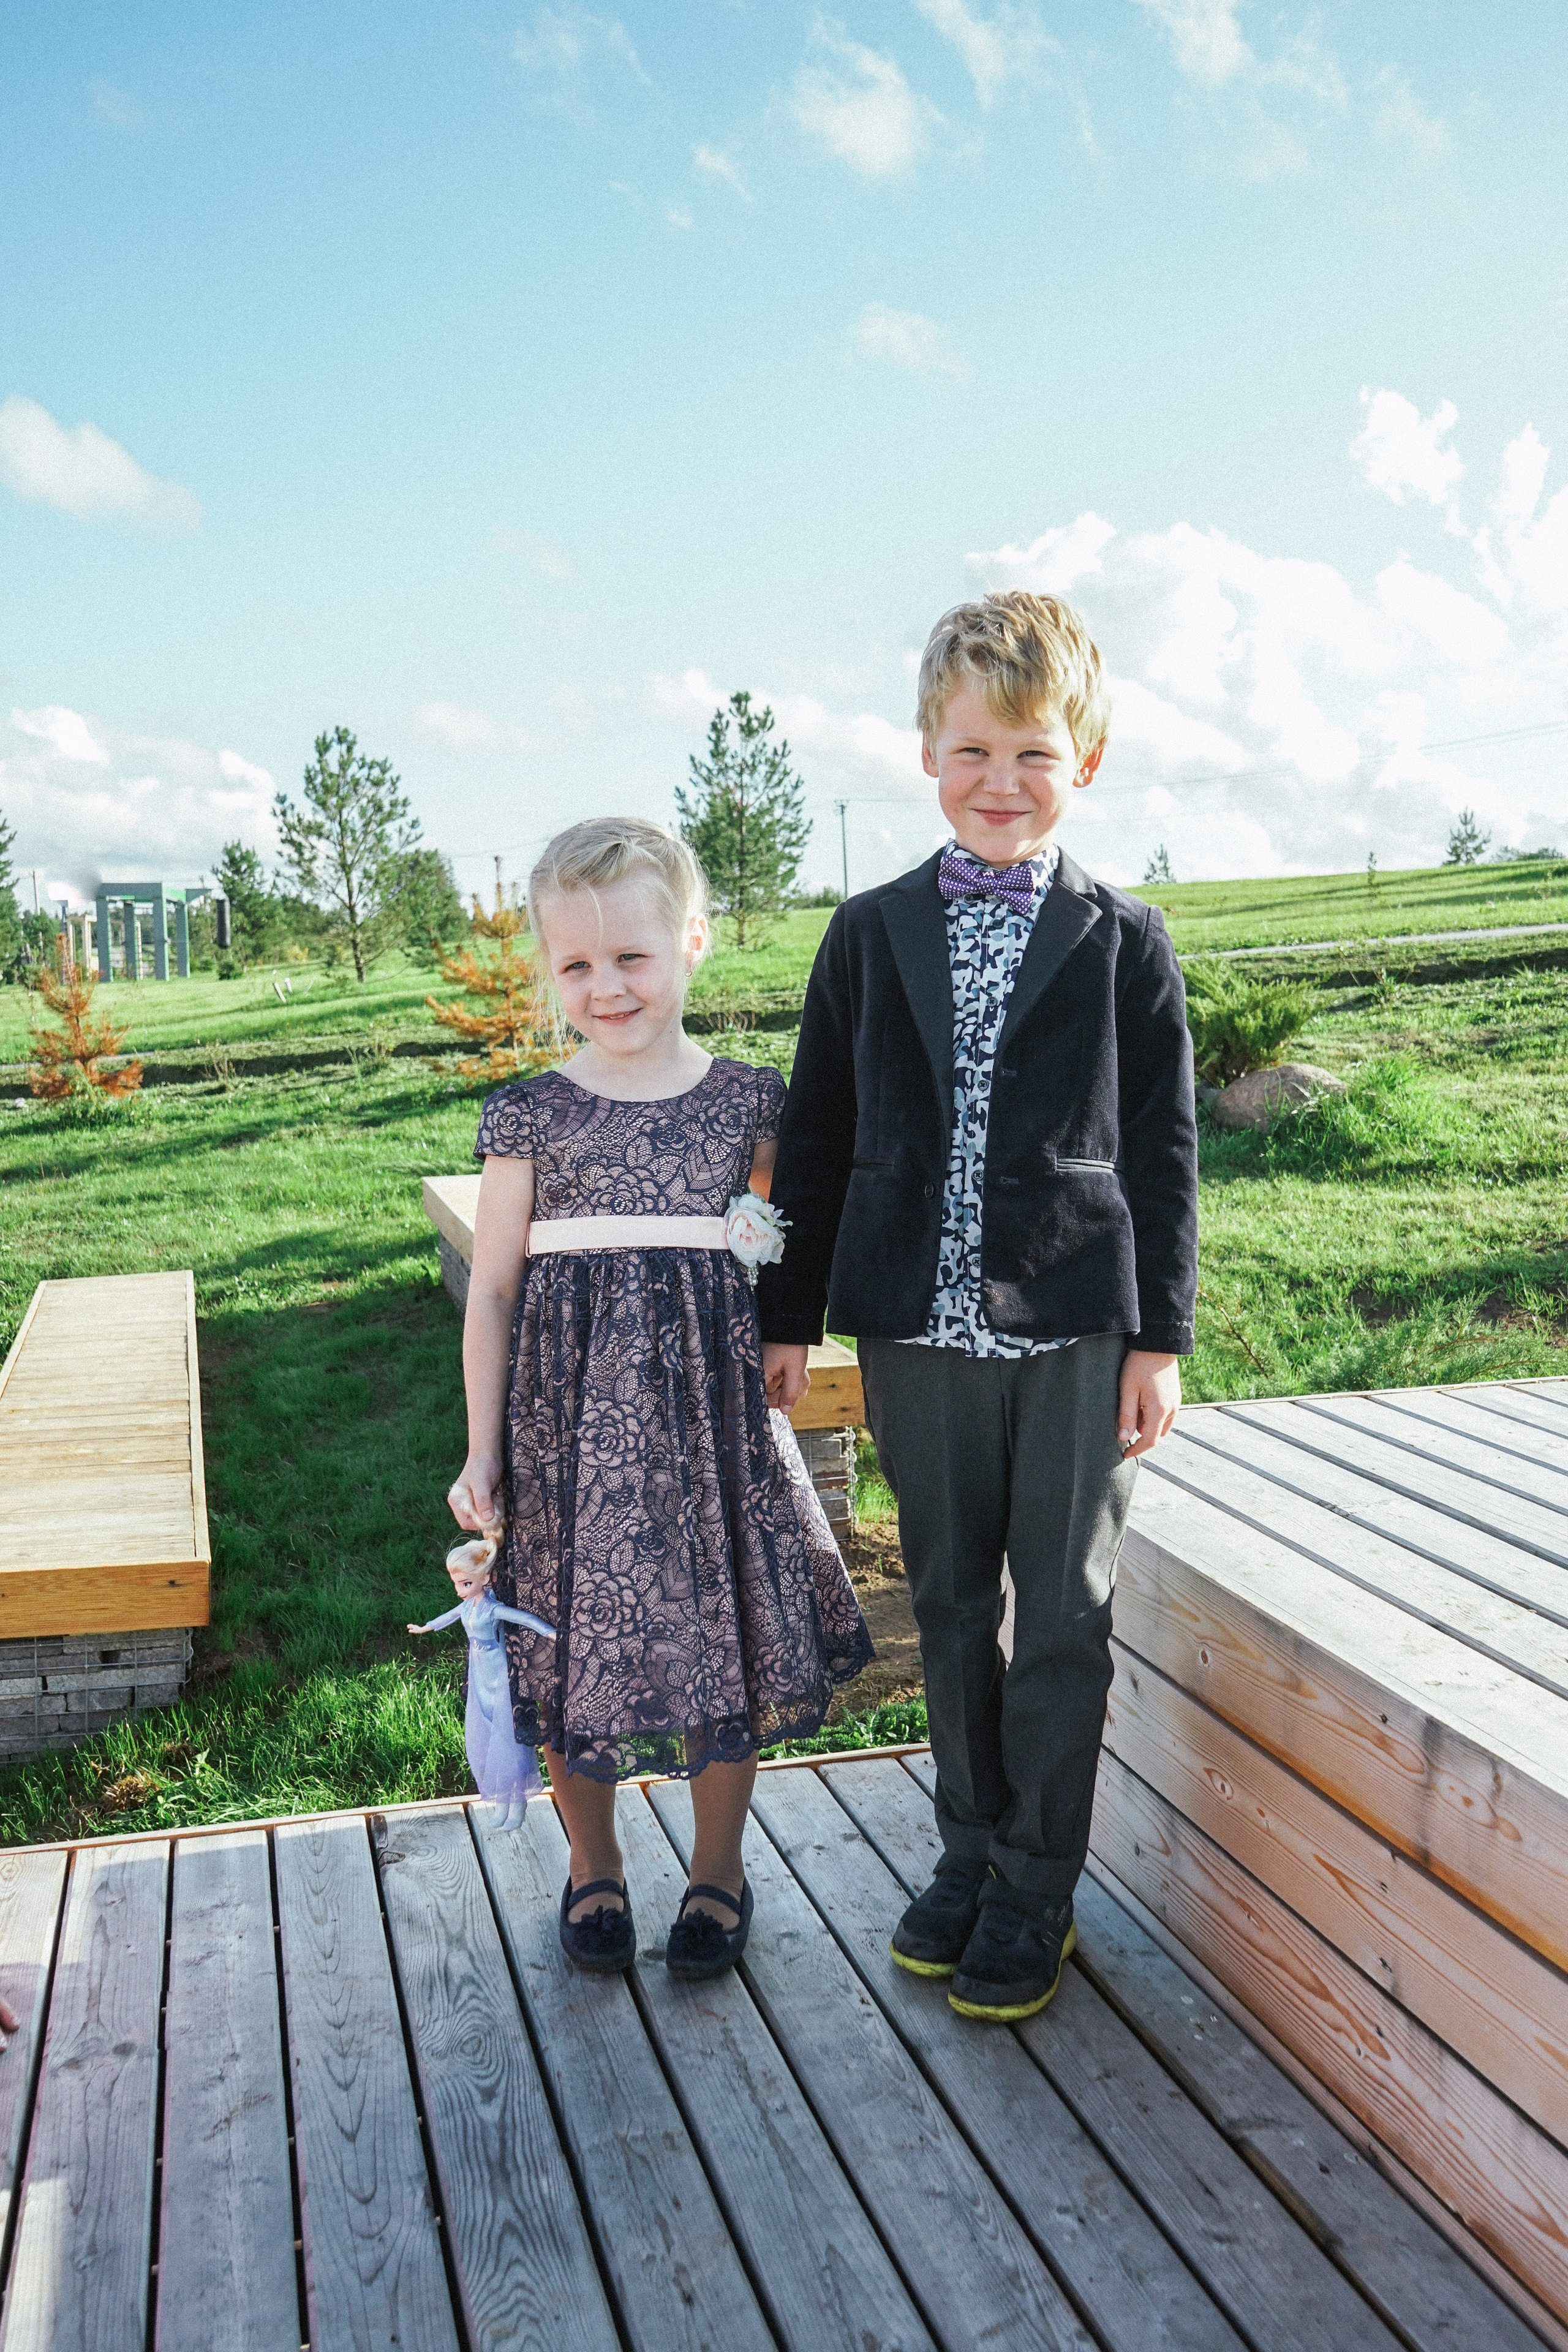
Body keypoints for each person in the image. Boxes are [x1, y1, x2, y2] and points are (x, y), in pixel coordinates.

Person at [758, 591, 1197, 2023]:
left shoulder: (1120, 942)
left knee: (1060, 1609)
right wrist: (785, 1313)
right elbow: (814, 1134)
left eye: (1029, 753)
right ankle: (964, 1849)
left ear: (1083, 759)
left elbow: (1163, 1151)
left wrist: (1159, 1336)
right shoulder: (868, 932)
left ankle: (1036, 1885)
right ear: (924, 753)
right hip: (912, 1326)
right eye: (968, 751)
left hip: (1074, 1325)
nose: (996, 782)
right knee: (944, 1600)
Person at [448, 816, 872, 1981]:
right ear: (549, 971)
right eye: (576, 965)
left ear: (693, 941)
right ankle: (595, 1868)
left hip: (710, 1429)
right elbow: (491, 1291)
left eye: (631, 956)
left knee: (718, 1634)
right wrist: (484, 1450)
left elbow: (793, 1236)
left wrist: (794, 1329)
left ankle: (718, 1867)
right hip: (566, 1432)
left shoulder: (748, 1103)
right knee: (571, 1641)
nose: (606, 986)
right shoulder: (532, 1113)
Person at [407, 1529, 556, 1830]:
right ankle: (501, 1801)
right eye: (457, 1584)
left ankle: (518, 1804)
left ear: (485, 1579)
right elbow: (449, 1616)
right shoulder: (468, 1606)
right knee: (486, 1734)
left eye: (465, 1583)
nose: (460, 1591)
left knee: (507, 1736)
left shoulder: (493, 1609)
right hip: (479, 1674)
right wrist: (426, 1627)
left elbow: (523, 1618)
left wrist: (550, 1632)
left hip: (498, 1673)